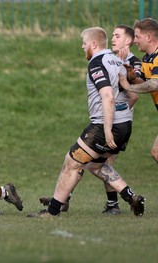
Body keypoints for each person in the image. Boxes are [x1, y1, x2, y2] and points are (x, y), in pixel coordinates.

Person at [28, 27, 145, 218]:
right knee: (95, 165)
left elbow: (107, 96)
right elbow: (132, 95)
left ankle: (52, 212)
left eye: (84, 43)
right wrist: (122, 119)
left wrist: (108, 129)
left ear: (93, 44)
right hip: (125, 125)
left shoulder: (97, 62)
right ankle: (130, 195)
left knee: (71, 163)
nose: (82, 47)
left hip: (104, 126)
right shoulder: (118, 61)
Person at [119, 18, 158, 163]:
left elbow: (155, 84)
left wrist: (129, 86)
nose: (135, 40)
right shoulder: (147, 58)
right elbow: (146, 82)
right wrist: (133, 78)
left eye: (137, 36)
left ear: (148, 37)